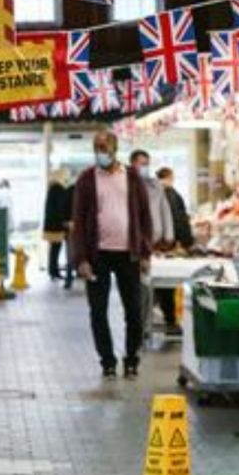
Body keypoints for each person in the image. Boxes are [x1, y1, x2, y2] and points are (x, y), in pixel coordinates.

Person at [70, 131, 153, 379]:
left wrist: (145, 253)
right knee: (98, 311)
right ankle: (107, 361)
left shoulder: (132, 177)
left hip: (129, 254)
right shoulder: (87, 179)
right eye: (96, 147)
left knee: (134, 312)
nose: (100, 152)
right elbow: (79, 221)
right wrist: (81, 259)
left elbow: (145, 217)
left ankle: (132, 359)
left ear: (114, 149)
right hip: (98, 256)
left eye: (103, 147)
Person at [156, 167, 194, 331]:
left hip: (158, 245)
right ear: (169, 177)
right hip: (170, 244)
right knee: (168, 283)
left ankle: (167, 316)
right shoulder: (171, 194)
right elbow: (179, 219)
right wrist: (185, 241)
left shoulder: (154, 194)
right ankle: (171, 319)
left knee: (161, 283)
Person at [128, 149, 174, 249]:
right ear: (132, 164)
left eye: (147, 164)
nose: (145, 167)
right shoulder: (124, 184)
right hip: (131, 239)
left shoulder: (156, 186)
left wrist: (168, 235)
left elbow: (165, 210)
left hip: (154, 239)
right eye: (142, 164)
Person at [43, 169, 73, 287]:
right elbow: (61, 207)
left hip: (51, 223)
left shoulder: (52, 188)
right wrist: (65, 221)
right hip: (57, 224)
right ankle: (54, 271)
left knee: (54, 249)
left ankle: (53, 271)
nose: (67, 178)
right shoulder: (58, 189)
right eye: (66, 176)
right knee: (57, 249)